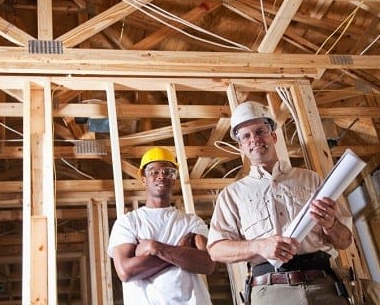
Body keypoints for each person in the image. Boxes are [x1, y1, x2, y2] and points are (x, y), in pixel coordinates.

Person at [207, 101, 353, 305]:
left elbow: (345, 241)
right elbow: (216, 250)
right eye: (246, 136)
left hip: (324, 287)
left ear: (273, 136)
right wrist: (259, 246)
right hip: (270, 294)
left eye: (260, 131)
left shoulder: (311, 180)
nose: (255, 139)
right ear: (241, 146)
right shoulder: (232, 194)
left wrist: (331, 225)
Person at [107, 147, 215, 304]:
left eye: (168, 172)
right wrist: (182, 253)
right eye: (153, 172)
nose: (161, 176)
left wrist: (155, 247)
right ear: (143, 179)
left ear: (174, 179)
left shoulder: (192, 221)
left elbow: (208, 264)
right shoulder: (128, 222)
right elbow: (126, 271)